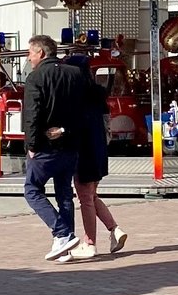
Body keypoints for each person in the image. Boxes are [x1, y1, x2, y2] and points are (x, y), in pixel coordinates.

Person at [20, 35, 87, 262]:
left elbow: (32, 114)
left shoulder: (35, 78)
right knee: (64, 193)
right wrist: (66, 129)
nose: (28, 57)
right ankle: (65, 247)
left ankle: (62, 233)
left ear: (41, 52)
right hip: (69, 145)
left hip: (45, 147)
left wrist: (31, 145)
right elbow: (83, 111)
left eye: (30, 52)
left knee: (32, 189)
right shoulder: (75, 74)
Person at [67, 53, 125, 261]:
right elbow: (106, 123)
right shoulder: (98, 94)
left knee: (85, 199)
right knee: (91, 196)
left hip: (84, 151)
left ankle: (89, 243)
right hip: (99, 149)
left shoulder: (74, 96)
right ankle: (115, 230)